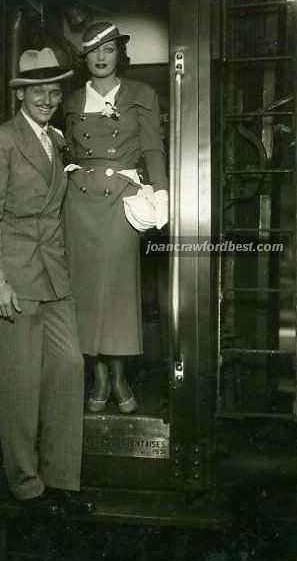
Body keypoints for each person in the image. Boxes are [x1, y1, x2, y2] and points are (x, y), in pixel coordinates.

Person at [0, 47, 95, 516]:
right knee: (20, 387)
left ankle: (62, 481)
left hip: (55, 277)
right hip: (14, 278)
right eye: (37, 89)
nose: (47, 97)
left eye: (55, 89)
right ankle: (27, 487)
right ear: (20, 93)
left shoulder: (57, 139)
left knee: (68, 369)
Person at [63, 21, 168, 414]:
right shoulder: (72, 100)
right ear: (85, 58)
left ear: (119, 54)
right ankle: (100, 377)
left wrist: (159, 194)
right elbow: (67, 152)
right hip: (79, 204)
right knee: (85, 293)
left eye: (109, 49)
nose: (102, 57)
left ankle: (120, 374)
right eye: (94, 51)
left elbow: (153, 150)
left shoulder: (142, 94)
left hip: (121, 202)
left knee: (118, 295)